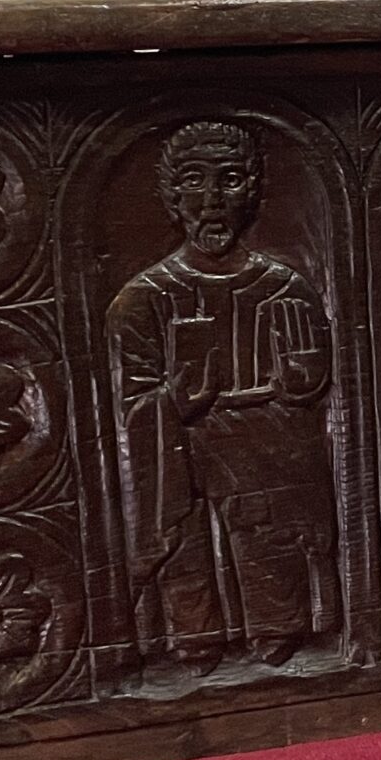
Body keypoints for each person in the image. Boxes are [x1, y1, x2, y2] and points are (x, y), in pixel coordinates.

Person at [109, 121, 338, 675]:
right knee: (188, 551)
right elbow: (129, 408)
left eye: (230, 180)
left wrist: (301, 384)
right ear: (172, 196)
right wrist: (172, 402)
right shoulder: (143, 299)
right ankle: (197, 641)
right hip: (183, 466)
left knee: (269, 539)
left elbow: (317, 401)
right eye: (194, 181)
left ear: (252, 193)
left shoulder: (285, 289)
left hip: (266, 461)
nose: (212, 199)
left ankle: (275, 633)